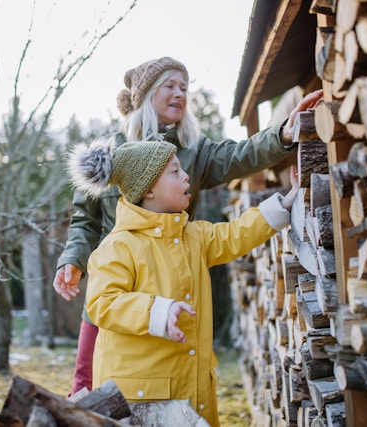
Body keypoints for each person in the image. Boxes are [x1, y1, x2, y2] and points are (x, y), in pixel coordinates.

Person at [53, 56, 322, 395]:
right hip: (119, 283)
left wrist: (282, 134)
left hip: (173, 284)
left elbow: (241, 155)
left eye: (184, 87)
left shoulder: (195, 151)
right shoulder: (111, 152)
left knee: (179, 380)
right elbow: (84, 221)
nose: (180, 93)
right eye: (169, 85)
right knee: (88, 386)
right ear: (146, 94)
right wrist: (72, 260)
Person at [66, 138, 299, 426]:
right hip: (140, 403)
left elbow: (235, 234)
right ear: (148, 188)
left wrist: (283, 205)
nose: (186, 175)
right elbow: (103, 303)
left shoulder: (194, 237)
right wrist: (157, 312)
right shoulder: (118, 246)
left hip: (192, 391)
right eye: (174, 172)